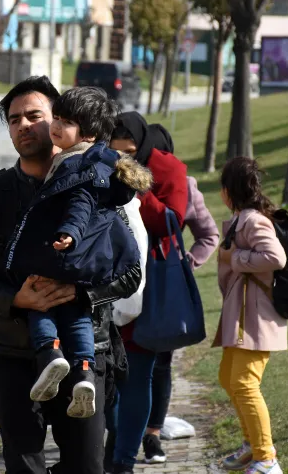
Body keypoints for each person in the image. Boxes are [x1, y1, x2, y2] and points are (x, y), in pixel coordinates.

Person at [0, 75, 142, 474]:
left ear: (61, 119)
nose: (24, 125)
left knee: (87, 467)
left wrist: (81, 294)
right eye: (14, 119)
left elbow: (130, 272)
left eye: (34, 115)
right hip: (12, 355)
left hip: (90, 354)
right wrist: (17, 299)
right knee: (24, 468)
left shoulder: (98, 183)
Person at [3, 86, 152, 418]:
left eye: (65, 121)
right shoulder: (97, 161)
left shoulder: (77, 165)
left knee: (41, 304)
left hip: (63, 255)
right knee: (77, 316)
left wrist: (68, 235)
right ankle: (83, 372)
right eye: (57, 117)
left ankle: (50, 355)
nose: (56, 126)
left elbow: (79, 206)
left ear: (88, 133)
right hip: (84, 268)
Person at [106, 111, 189, 474]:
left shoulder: (168, 169)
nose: (124, 156)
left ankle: (123, 459)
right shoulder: (102, 161)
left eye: (130, 151)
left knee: (138, 373)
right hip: (106, 280)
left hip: (150, 284)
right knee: (105, 375)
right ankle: (113, 442)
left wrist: (136, 188)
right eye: (117, 151)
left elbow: (173, 221)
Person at [214, 157, 287, 474]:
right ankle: (251, 447)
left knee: (244, 383)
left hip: (255, 316)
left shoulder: (254, 221)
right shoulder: (242, 219)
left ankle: (267, 459)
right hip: (241, 314)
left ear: (229, 190)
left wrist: (235, 257)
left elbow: (276, 257)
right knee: (229, 379)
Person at [143, 173, 220, 464]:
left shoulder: (183, 185)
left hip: (166, 288)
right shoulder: (118, 175)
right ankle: (120, 436)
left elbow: (209, 235)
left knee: (161, 363)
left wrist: (186, 264)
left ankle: (153, 433)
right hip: (125, 287)